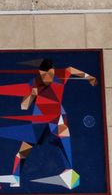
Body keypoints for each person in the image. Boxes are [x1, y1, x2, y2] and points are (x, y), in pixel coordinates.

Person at [8, 58, 99, 188]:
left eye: (50, 74)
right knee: (25, 148)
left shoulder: (60, 76)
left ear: (54, 72)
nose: (47, 78)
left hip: (57, 117)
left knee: (64, 138)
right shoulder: (34, 83)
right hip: (39, 119)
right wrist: (31, 95)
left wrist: (89, 77)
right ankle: (15, 176)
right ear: (40, 73)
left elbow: (71, 69)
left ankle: (69, 173)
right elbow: (23, 106)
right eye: (44, 75)